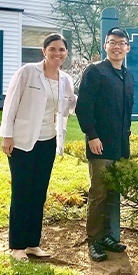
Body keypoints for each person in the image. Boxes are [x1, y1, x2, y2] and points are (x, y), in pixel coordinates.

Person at [0, 33, 76, 261]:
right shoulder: (27, 72)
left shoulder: (66, 79)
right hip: (22, 141)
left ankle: (33, 243)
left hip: (47, 141)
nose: (57, 53)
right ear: (44, 51)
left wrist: (79, 103)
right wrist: (7, 136)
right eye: (52, 49)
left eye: (61, 49)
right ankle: (17, 246)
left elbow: (68, 106)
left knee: (38, 193)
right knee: (22, 192)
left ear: (66, 53)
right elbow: (11, 103)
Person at [75, 27, 134, 262]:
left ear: (127, 47)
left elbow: (126, 111)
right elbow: (84, 108)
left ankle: (109, 236)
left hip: (120, 144)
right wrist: (92, 135)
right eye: (112, 42)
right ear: (105, 46)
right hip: (100, 144)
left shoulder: (127, 76)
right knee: (98, 193)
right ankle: (94, 241)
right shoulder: (95, 72)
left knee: (112, 192)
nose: (117, 46)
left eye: (121, 43)